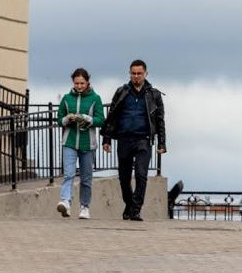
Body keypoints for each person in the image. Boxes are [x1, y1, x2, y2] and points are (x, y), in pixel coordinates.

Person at [101, 59, 166, 221]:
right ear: (129, 74)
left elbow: (159, 120)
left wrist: (162, 143)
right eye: (133, 73)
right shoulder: (122, 92)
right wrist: (107, 139)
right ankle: (129, 204)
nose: (136, 76)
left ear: (146, 74)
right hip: (124, 138)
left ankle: (136, 209)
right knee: (124, 177)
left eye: (139, 73)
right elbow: (112, 116)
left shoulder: (154, 94)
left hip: (143, 139)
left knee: (141, 174)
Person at [56, 68, 104, 220]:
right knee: (68, 174)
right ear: (73, 82)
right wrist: (66, 119)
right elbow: (59, 118)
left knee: (86, 178)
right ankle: (65, 201)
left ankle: (84, 206)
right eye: (77, 83)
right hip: (69, 141)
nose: (79, 86)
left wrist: (87, 118)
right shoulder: (66, 98)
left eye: (82, 83)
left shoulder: (95, 98)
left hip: (87, 144)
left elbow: (101, 120)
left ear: (87, 82)